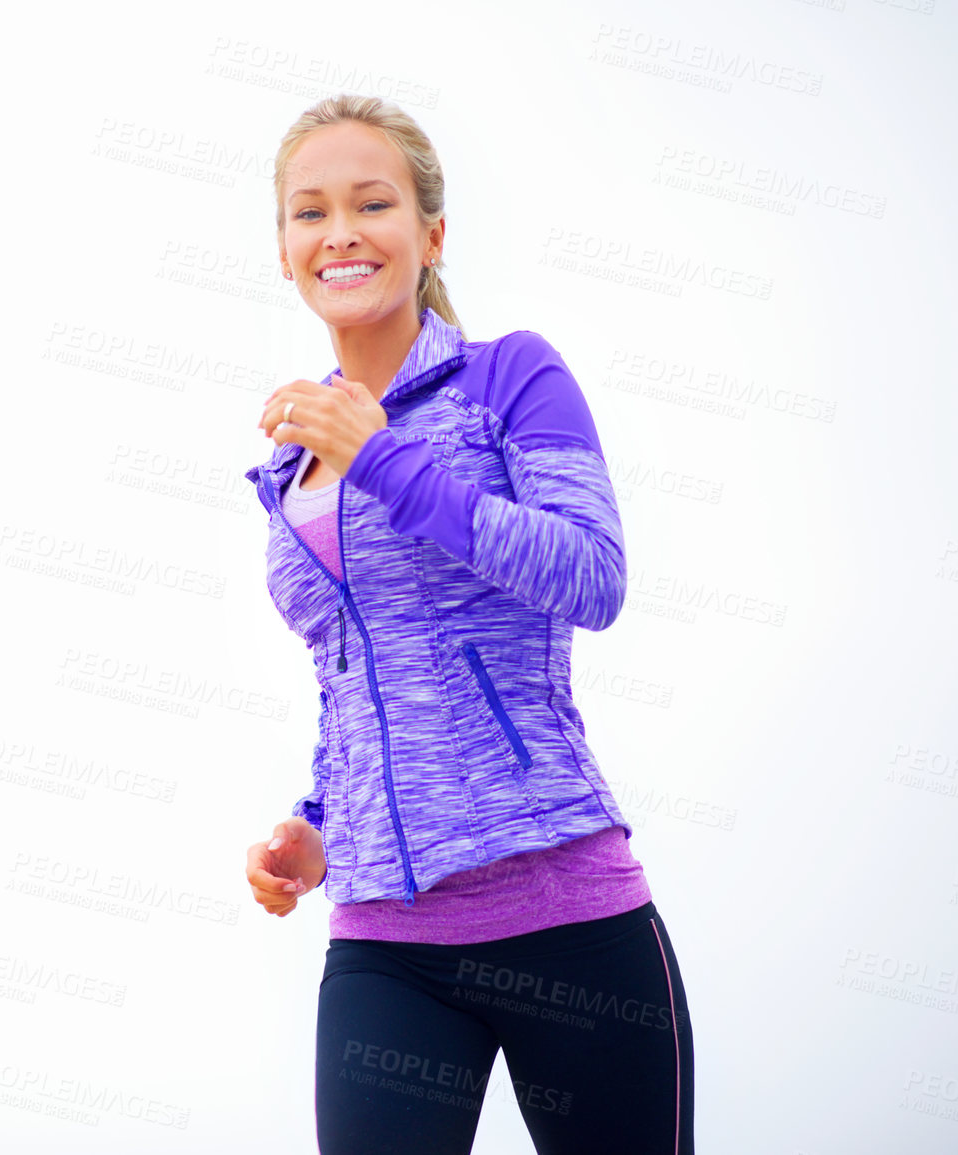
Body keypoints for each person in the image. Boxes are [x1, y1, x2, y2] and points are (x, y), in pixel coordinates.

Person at [240, 94, 696, 1155]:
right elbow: (358, 667)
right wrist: (319, 817)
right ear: (284, 252)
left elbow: (591, 577)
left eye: (372, 202)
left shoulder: (510, 380)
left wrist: (387, 460)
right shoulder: (288, 462)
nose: (340, 231)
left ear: (431, 234)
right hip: (383, 939)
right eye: (309, 213)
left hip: (565, 916)